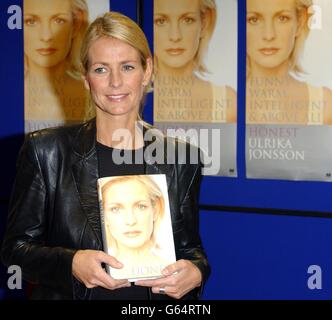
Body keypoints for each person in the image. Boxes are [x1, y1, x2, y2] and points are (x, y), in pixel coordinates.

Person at [1, 11, 210, 300]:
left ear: (146, 71)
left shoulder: (181, 158)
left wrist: (197, 271)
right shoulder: (46, 152)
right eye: (101, 69)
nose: (115, 82)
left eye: (127, 67)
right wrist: (71, 263)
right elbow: (15, 250)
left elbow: (190, 249)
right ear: (86, 78)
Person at [246, 0, 332, 125]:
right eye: (253, 19)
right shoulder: (227, 103)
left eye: (282, 18)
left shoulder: (326, 105)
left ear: (300, 22)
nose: (269, 35)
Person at [153, 0, 237, 123]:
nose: (175, 36)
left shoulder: (228, 103)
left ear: (204, 23)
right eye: (161, 21)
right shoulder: (129, 101)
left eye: (187, 20)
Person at [24, 0, 89, 132]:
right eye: (31, 21)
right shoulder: (7, 92)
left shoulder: (95, 91)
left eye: (58, 20)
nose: (46, 36)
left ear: (76, 24)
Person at [100, 175, 174, 281]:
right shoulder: (98, 271)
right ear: (104, 216)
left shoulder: (172, 270)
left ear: (155, 210)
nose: (131, 221)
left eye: (141, 206)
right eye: (115, 209)